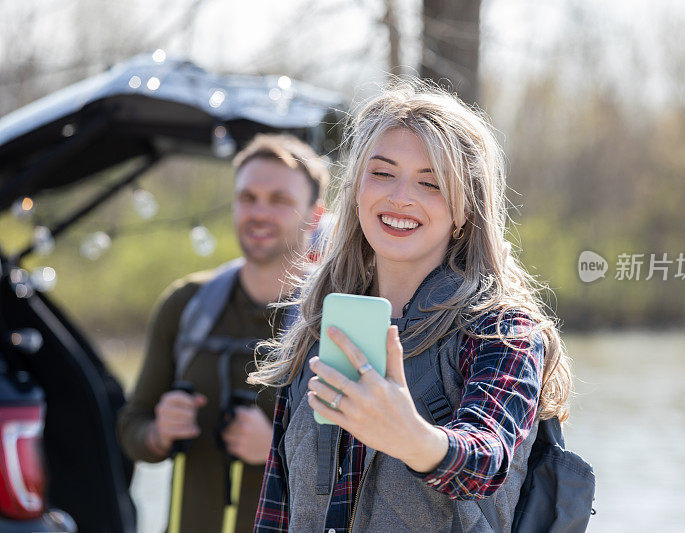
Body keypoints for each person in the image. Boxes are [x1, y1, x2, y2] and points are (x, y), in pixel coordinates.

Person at [248, 81, 573, 532]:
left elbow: (487, 458)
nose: (401, 197)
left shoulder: (503, 330)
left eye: (430, 182)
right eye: (382, 173)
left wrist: (414, 439)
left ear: (466, 209)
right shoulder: (317, 324)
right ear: (357, 188)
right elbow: (276, 507)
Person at [117, 133, 328, 533]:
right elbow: (131, 428)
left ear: (314, 216)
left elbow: (365, 468)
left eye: (280, 200)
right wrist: (159, 433)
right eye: (248, 197)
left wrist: (276, 453)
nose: (259, 212)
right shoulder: (185, 305)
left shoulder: (333, 319)